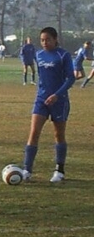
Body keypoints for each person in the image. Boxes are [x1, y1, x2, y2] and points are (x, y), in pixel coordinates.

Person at [22, 27, 75, 183]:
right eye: (42, 40)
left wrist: (56, 95)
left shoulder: (63, 55)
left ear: (55, 39)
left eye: (48, 39)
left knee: (58, 135)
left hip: (59, 100)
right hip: (41, 99)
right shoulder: (39, 55)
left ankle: (59, 170)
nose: (45, 43)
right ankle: (27, 170)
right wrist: (43, 94)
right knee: (34, 132)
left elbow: (70, 79)